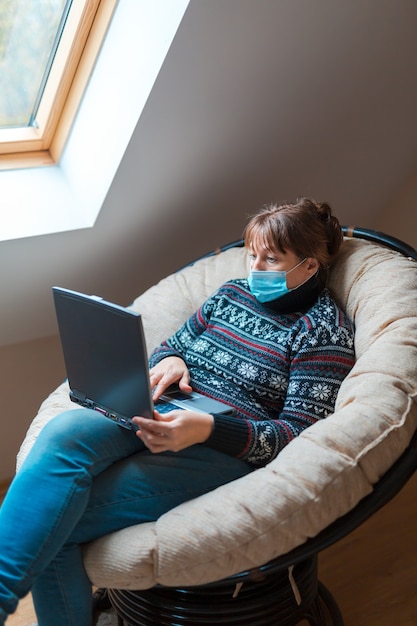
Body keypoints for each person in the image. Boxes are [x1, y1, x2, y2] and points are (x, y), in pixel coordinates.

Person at [0, 198, 355, 626]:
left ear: (310, 267)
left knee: (55, 523)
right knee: (65, 431)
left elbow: (294, 434)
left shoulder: (322, 333)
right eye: (252, 255)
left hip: (221, 448)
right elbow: (172, 346)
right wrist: (172, 362)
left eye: (271, 259)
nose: (255, 268)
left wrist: (207, 429)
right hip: (161, 407)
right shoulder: (230, 295)